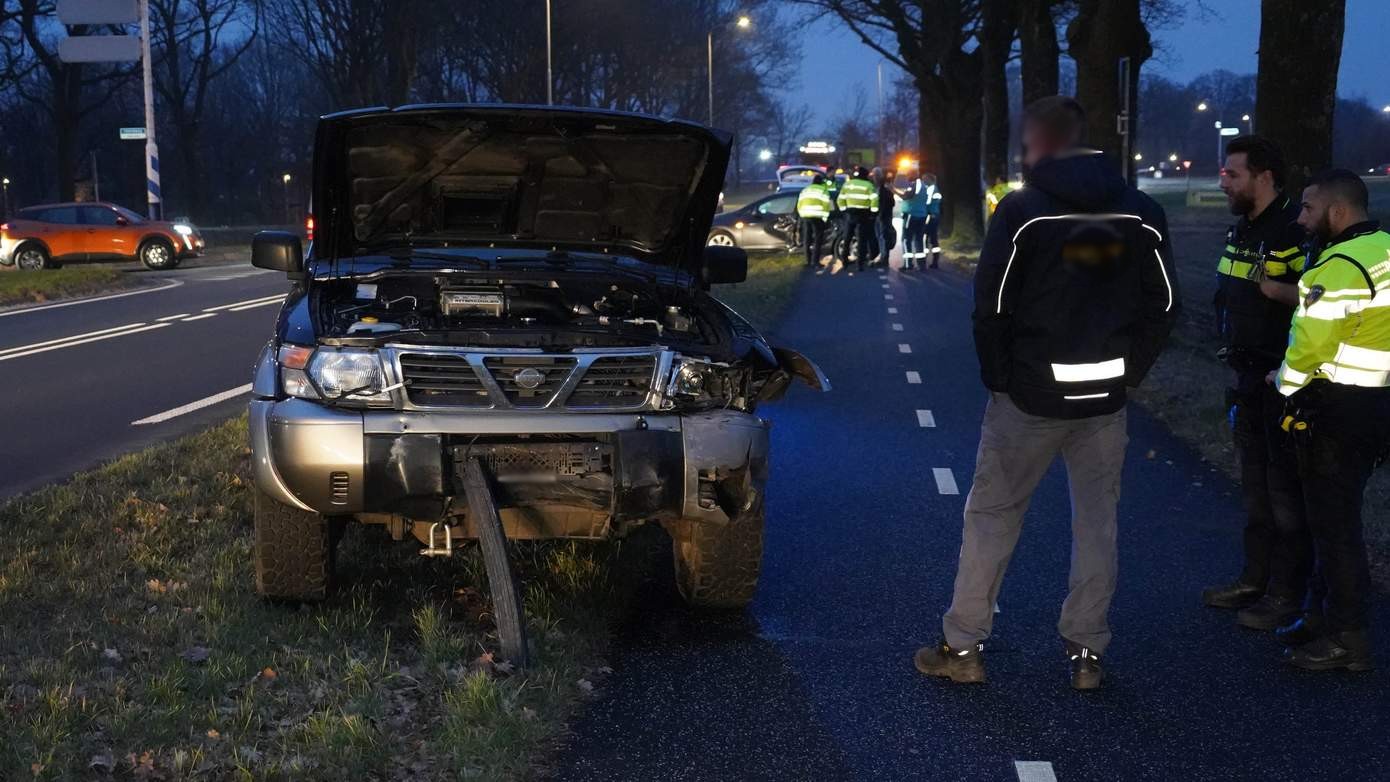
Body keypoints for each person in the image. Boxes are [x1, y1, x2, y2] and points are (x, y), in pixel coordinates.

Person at [914, 96, 1179, 690]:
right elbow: (1163, 304)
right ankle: (1087, 653)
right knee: (1096, 524)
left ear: (1038, 142)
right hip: (1105, 399)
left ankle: (963, 649)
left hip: (1029, 396)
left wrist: (1000, 377)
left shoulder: (1024, 212)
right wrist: (1129, 371)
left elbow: (992, 306)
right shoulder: (1140, 212)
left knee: (992, 518)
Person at [1273, 169, 1390, 672]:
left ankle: (1346, 636)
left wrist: (1283, 388)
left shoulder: (1338, 264)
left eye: (1307, 209)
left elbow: (1311, 345)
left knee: (1333, 525)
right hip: (1377, 405)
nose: (1301, 218)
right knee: (1339, 516)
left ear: (1337, 212)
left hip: (1337, 409)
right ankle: (1324, 617)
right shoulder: (1383, 246)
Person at [1199, 136, 1314, 634]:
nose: (1223, 182)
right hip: (1246, 374)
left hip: (1280, 377)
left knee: (1283, 491)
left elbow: (1317, 300)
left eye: (1233, 174)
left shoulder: (1293, 230)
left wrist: (1277, 292)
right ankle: (1255, 578)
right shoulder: (1244, 227)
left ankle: (1287, 595)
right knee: (1255, 487)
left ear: (1263, 178)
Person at [837, 166, 879, 273]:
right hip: (863, 215)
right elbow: (874, 200)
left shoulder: (847, 184)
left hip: (850, 214)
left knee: (847, 238)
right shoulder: (868, 185)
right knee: (862, 240)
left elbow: (840, 199)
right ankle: (859, 264)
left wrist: (844, 210)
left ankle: (844, 261)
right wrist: (873, 213)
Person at [795, 174, 832, 269]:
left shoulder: (805, 190)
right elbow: (826, 206)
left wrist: (802, 215)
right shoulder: (823, 190)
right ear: (821, 182)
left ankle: (807, 261)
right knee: (817, 240)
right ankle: (815, 262)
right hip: (817, 217)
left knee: (807, 239)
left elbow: (799, 204)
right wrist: (825, 218)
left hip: (805, 217)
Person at [898, 173, 930, 270]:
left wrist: (892, 190)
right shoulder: (924, 186)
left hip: (911, 215)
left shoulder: (914, 185)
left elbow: (906, 196)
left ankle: (908, 264)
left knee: (906, 239)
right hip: (922, 215)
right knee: (918, 239)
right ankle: (921, 264)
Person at [873, 167, 897, 267]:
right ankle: (883, 257)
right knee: (882, 237)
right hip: (884, 216)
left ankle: (884, 259)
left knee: (882, 237)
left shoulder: (882, 188)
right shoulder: (885, 187)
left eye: (875, 175)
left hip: (882, 216)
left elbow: (889, 202)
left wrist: (881, 213)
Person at [922, 173, 943, 267]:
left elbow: (928, 202)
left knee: (930, 237)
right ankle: (933, 260)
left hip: (931, 216)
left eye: (925, 179)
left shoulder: (931, 189)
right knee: (930, 237)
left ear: (930, 180)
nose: (923, 181)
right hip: (933, 215)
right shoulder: (933, 188)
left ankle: (932, 260)